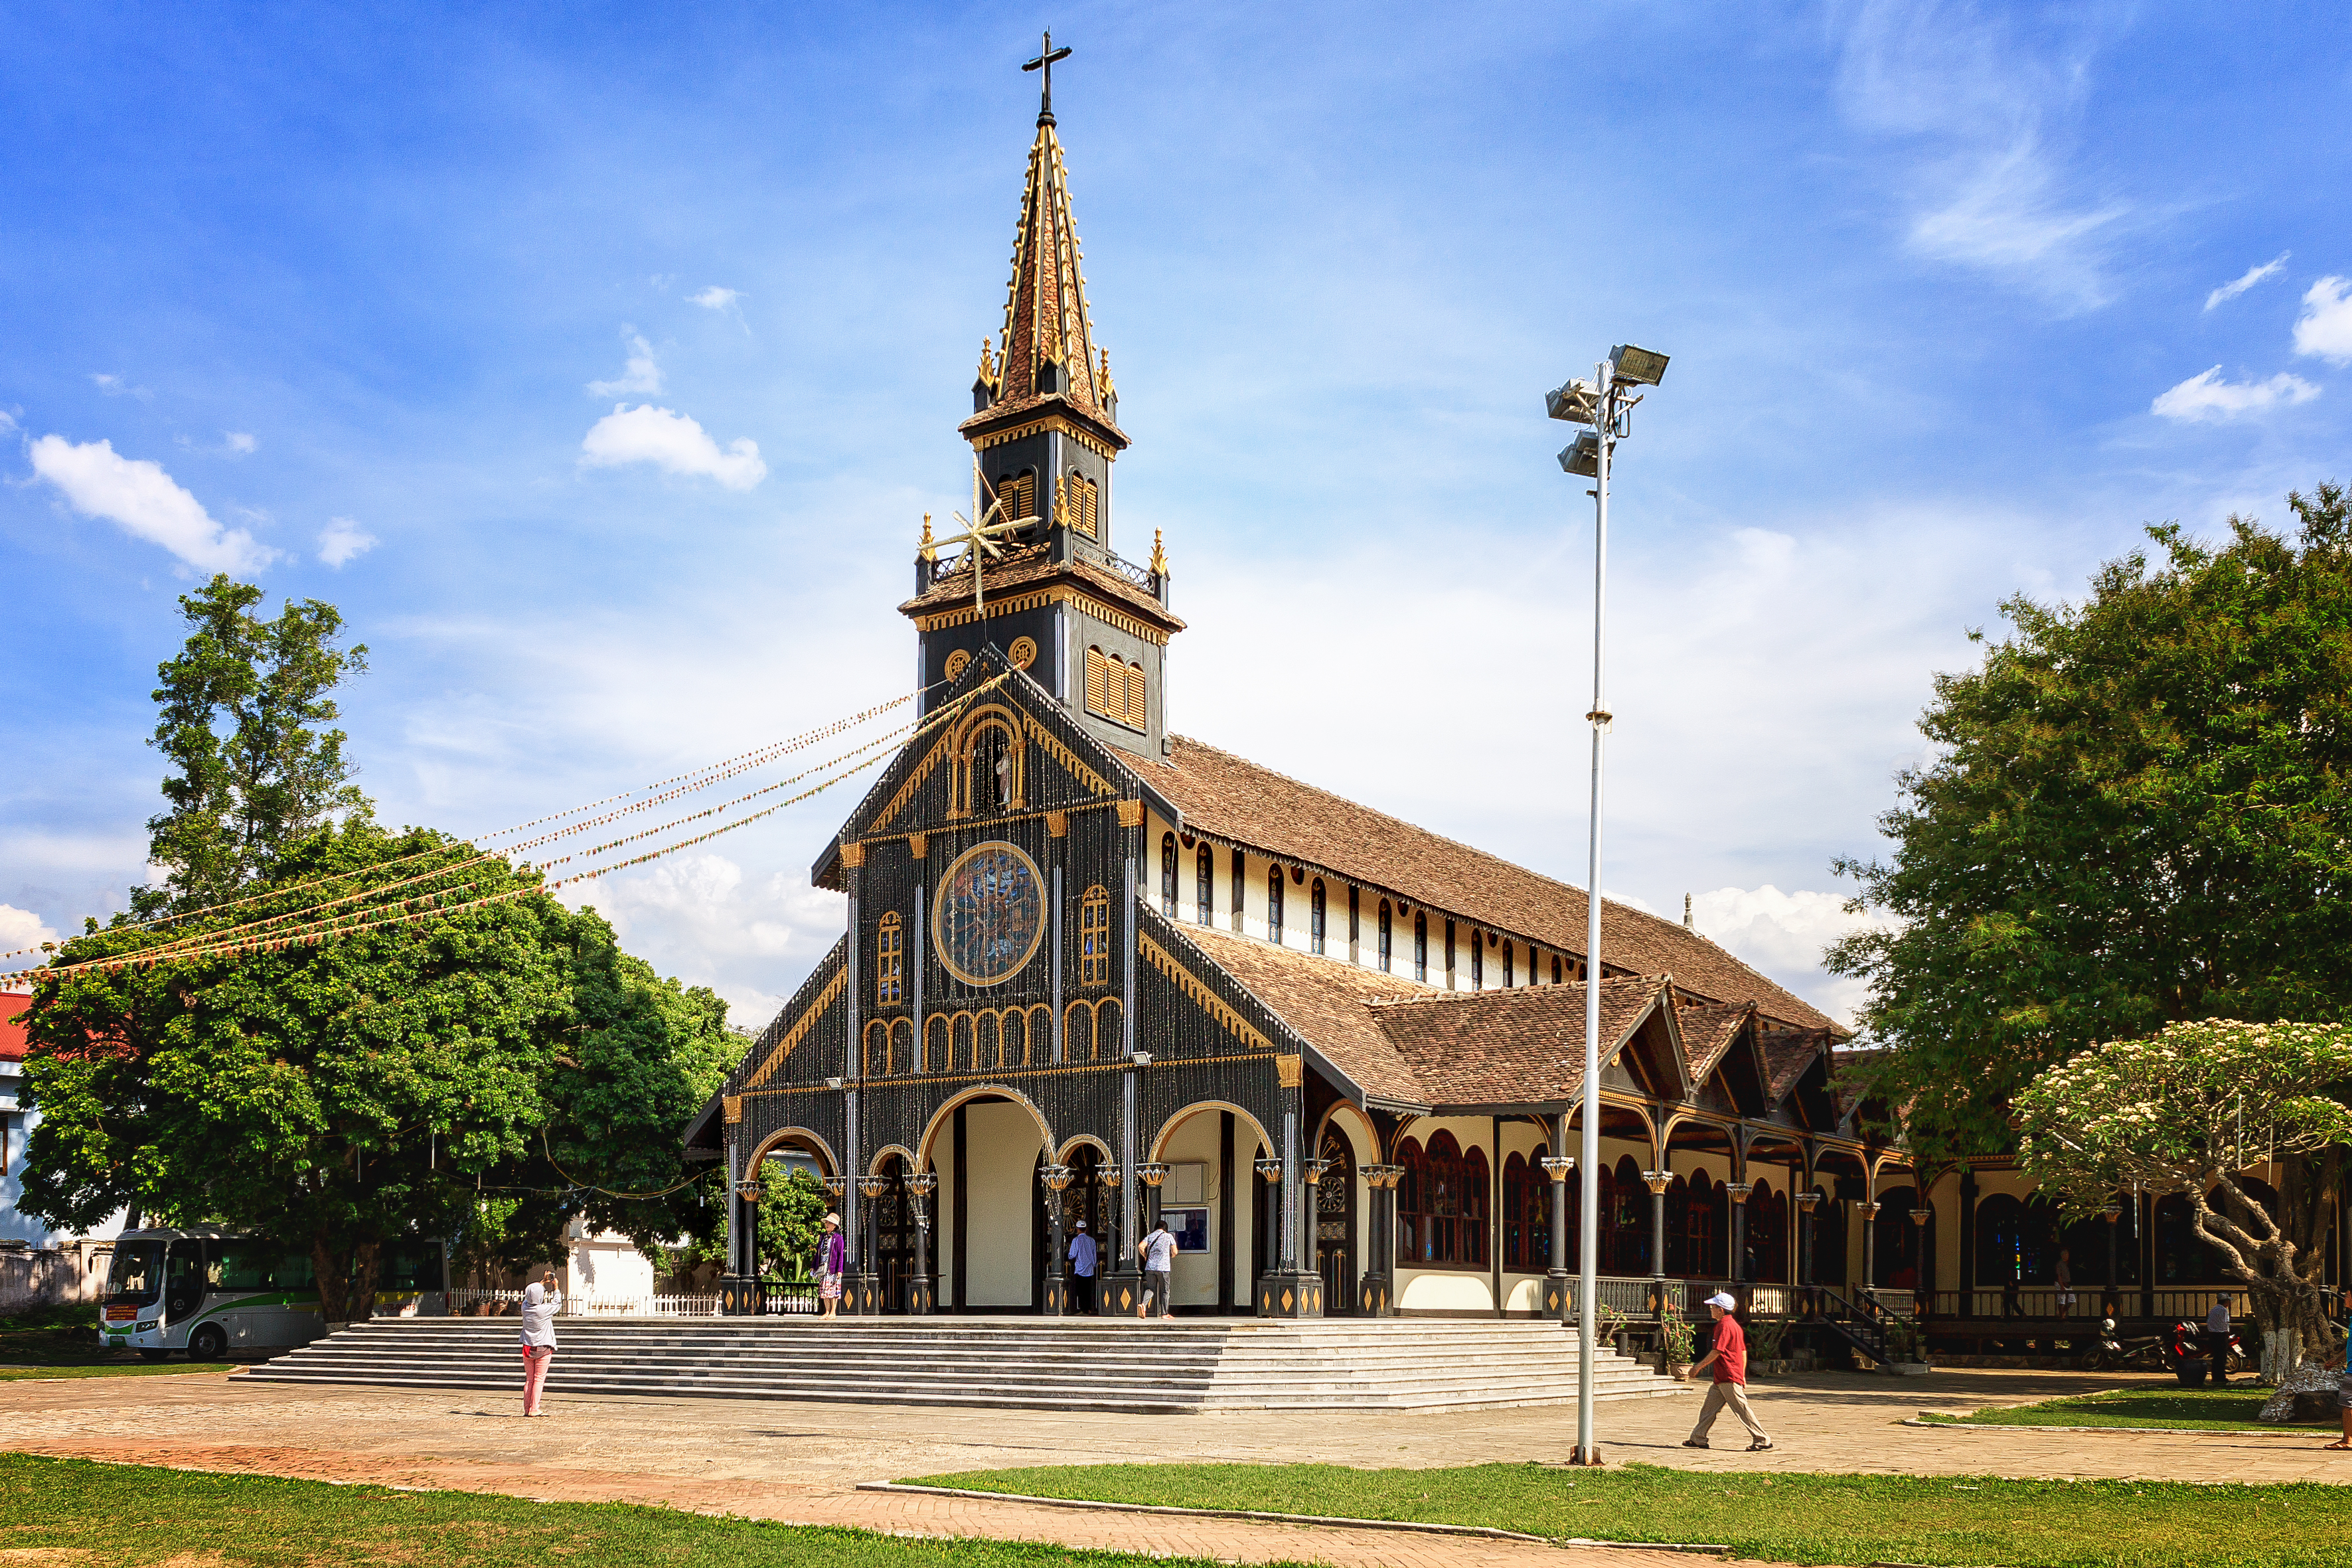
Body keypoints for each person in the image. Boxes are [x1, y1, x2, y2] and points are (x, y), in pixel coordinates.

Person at [1680, 1291, 1772, 1452]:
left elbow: (1717, 1351)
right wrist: (1742, 1374)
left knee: (1742, 1410)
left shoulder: (1724, 1325)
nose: (1711, 1310)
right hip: (1723, 1377)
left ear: (1721, 1309)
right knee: (1708, 1409)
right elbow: (1743, 1352)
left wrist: (1698, 1367)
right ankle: (1698, 1437)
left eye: (1713, 1307)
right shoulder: (1735, 1326)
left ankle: (1762, 1439)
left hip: (1728, 1377)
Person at [518, 1267, 559, 1417]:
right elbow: (557, 1304)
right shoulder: (543, 1310)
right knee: (539, 1379)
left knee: (529, 1379)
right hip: (543, 1347)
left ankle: (527, 1407)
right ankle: (534, 1408)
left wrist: (542, 1282)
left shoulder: (525, 1308)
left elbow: (530, 1296)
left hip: (528, 1347)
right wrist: (556, 1287)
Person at [1137, 1215, 1175, 1320]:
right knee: (1165, 1291)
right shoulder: (1169, 1236)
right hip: (1163, 1268)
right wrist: (1170, 1255)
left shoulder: (1150, 1236)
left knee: (1150, 1288)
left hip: (1150, 1268)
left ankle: (1143, 1304)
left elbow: (1140, 1246)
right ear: (1165, 1228)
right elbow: (1175, 1251)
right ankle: (1165, 1313)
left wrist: (1145, 1255)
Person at [817, 1212, 848, 1318]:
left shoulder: (838, 1238)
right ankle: (827, 1312)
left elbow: (840, 1255)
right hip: (823, 1268)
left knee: (833, 1291)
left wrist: (840, 1270)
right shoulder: (822, 1237)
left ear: (834, 1225)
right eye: (826, 1222)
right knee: (825, 1292)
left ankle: (833, 1312)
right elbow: (818, 1252)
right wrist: (814, 1265)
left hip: (833, 1269)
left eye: (829, 1223)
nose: (827, 1224)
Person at [1067, 1219, 1097, 1314]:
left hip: (1080, 1269)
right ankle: (1089, 1308)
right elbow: (1094, 1256)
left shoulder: (1076, 1240)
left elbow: (1072, 1255)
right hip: (1089, 1270)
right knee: (1088, 1290)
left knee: (1080, 1291)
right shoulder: (1092, 1240)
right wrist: (1094, 1264)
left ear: (1077, 1229)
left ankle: (1082, 1309)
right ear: (1086, 1229)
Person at [2207, 1293, 2234, 1385]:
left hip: (2213, 1334)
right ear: (2226, 1301)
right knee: (2222, 1357)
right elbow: (2225, 1323)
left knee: (2216, 1357)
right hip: (2221, 1335)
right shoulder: (2223, 1310)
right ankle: (2221, 1377)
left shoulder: (2213, 1309)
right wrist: (2227, 1332)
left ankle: (2216, 1376)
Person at [2054, 1248, 2073, 1320]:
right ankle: (2061, 1315)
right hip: (2061, 1283)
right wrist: (2061, 1286)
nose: (2066, 1256)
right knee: (2061, 1300)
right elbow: (2059, 1275)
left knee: (2072, 1300)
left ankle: (2062, 1313)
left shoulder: (2068, 1264)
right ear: (2062, 1255)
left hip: (2068, 1283)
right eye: (2065, 1254)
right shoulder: (2060, 1264)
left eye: (2067, 1254)